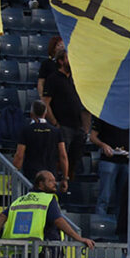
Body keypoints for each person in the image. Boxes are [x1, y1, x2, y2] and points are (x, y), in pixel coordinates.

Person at [0, 170, 94, 247]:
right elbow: (58, 221)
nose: (55, 183)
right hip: (45, 249)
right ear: (41, 184)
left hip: (21, 248)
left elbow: (2, 216)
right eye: (50, 181)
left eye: (54, 180)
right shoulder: (48, 199)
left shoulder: (20, 200)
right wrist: (78, 238)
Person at [41, 48, 87, 179]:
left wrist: (85, 127)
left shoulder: (74, 78)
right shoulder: (53, 78)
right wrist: (55, 123)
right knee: (60, 157)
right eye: (68, 58)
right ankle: (55, 181)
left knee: (74, 158)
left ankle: (69, 183)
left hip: (77, 125)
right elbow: (45, 102)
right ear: (61, 61)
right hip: (63, 125)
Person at [13, 99, 68, 185]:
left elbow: (19, 155)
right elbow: (63, 156)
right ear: (45, 113)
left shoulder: (26, 131)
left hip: (32, 175)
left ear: (31, 113)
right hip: (51, 176)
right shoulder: (56, 131)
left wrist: (13, 176)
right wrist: (65, 178)